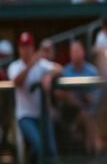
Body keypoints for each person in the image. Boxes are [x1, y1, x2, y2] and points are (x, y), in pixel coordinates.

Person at [7, 32, 61, 161]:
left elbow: (59, 68)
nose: (26, 50)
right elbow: (17, 81)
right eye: (23, 47)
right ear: (19, 49)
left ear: (33, 47)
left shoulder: (40, 63)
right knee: (38, 144)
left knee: (51, 152)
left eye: (28, 46)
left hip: (42, 115)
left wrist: (49, 75)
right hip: (25, 116)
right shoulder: (14, 66)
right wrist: (30, 64)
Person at [59, 40, 102, 154]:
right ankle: (95, 151)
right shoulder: (65, 71)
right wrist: (70, 96)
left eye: (78, 51)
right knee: (87, 116)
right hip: (70, 111)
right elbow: (58, 94)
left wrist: (86, 95)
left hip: (90, 109)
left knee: (89, 117)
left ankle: (91, 149)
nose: (76, 54)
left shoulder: (92, 71)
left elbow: (96, 98)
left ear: (83, 52)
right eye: (73, 51)